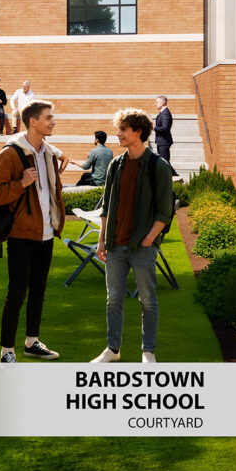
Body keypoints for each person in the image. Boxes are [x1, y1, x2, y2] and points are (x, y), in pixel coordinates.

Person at [0, 101, 69, 363]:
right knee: (17, 293)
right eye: (48, 118)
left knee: (38, 291)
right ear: (33, 121)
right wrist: (21, 183)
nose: (53, 122)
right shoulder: (10, 153)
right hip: (21, 235)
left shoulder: (47, 152)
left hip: (46, 234)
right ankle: (6, 351)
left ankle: (32, 342)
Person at [92, 108, 174, 365]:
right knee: (113, 300)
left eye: (122, 130)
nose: (117, 134)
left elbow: (164, 212)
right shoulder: (115, 165)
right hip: (115, 245)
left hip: (142, 247)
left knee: (147, 300)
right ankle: (112, 349)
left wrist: (148, 240)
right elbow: (107, 206)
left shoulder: (158, 167)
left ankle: (148, 351)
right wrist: (102, 239)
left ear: (138, 132)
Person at [153, 95, 175, 175]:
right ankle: (173, 175)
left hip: (164, 141)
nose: (155, 104)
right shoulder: (163, 112)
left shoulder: (165, 113)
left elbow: (165, 128)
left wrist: (154, 128)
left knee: (165, 161)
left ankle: (173, 176)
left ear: (162, 103)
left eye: (157, 102)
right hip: (161, 141)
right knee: (164, 161)